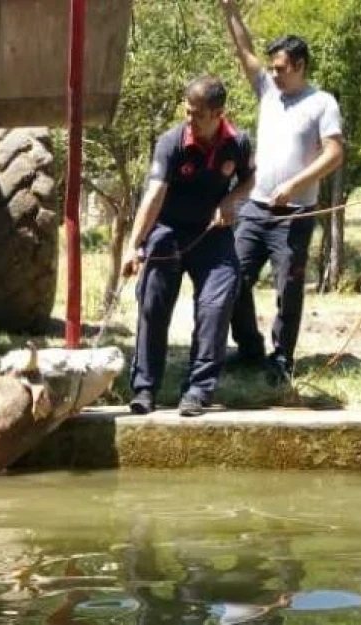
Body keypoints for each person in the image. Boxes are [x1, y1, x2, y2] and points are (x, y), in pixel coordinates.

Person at [218, 0, 345, 384]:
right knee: (233, 278)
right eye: (272, 68)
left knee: (288, 287)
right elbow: (245, 53)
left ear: (300, 66)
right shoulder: (269, 94)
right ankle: (250, 348)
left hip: (294, 213)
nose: (273, 74)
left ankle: (281, 358)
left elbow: (335, 153)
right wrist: (230, 13)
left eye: (281, 68)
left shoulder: (322, 103)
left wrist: (294, 185)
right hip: (254, 208)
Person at [122, 76, 255, 417]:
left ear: (218, 113)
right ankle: (145, 388)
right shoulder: (171, 143)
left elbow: (250, 179)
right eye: (187, 110)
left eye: (197, 113)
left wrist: (232, 200)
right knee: (153, 302)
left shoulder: (238, 143)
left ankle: (197, 390)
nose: (189, 118)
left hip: (212, 235)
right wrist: (133, 245)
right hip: (166, 231)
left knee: (216, 302)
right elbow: (154, 196)